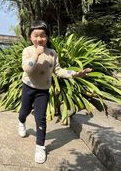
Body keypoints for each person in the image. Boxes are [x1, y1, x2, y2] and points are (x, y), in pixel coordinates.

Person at [18, 20, 92, 164]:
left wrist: (76, 74)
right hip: (28, 87)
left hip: (43, 91)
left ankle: (40, 146)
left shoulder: (52, 53)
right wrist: (36, 55)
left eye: (43, 35)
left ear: (47, 37)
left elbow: (58, 71)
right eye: (36, 36)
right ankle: (21, 122)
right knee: (24, 112)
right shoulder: (27, 51)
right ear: (30, 37)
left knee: (41, 118)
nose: (39, 39)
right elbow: (27, 69)